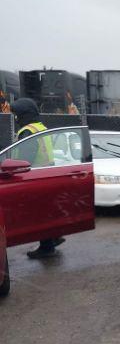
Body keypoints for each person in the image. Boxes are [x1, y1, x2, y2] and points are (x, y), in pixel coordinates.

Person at [10, 98, 65, 259]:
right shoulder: (40, 127)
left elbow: (26, 156)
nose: (15, 117)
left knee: (38, 213)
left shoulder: (27, 131)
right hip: (47, 173)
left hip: (32, 176)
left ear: (23, 114)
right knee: (47, 211)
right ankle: (54, 237)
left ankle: (47, 247)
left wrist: (17, 171)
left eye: (16, 114)